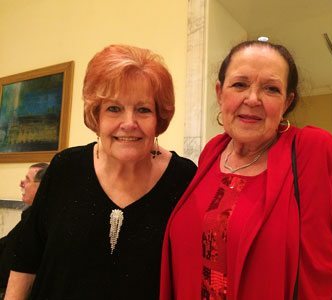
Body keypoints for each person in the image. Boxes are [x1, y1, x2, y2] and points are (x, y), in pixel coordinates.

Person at [160, 40, 332, 299]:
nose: (252, 99)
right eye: (239, 84)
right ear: (220, 93)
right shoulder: (212, 152)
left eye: (271, 89)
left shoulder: (317, 152)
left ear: (287, 101)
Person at [5, 44, 197, 300]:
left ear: (159, 119)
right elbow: (26, 257)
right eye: (114, 109)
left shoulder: (183, 178)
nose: (129, 123)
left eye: (143, 109)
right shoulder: (66, 167)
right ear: (96, 115)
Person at [0, 163, 48, 299]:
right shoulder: (30, 215)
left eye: (27, 179)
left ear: (42, 187)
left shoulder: (41, 221)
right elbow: (6, 243)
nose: (21, 183)